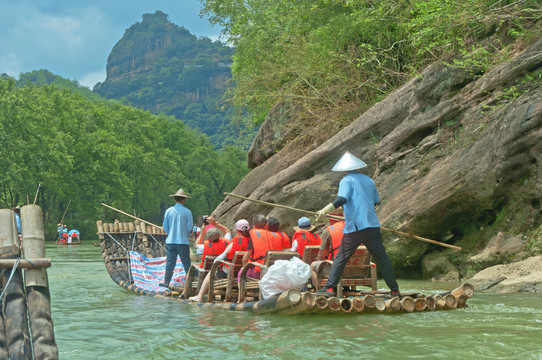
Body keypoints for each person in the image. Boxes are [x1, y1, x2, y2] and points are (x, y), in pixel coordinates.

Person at [314, 151, 400, 298]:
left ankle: (329, 289)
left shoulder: (346, 180)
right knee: (382, 259)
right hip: (372, 226)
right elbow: (374, 201)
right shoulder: (368, 180)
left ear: (345, 169)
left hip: (355, 227)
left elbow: (342, 199)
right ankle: (395, 290)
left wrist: (326, 210)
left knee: (341, 257)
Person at [187, 219, 251, 302]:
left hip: (229, 272)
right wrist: (216, 223)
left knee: (214, 268)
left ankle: (199, 296)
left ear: (237, 231)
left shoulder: (232, 243)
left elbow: (217, 259)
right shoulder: (251, 242)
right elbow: (227, 231)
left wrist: (203, 231)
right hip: (245, 272)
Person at [159, 188, 194, 288]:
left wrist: (171, 233)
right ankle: (190, 283)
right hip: (183, 241)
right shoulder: (187, 212)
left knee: (170, 261)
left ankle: (166, 282)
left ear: (175, 199)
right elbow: (189, 227)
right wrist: (185, 234)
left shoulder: (168, 211)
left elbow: (165, 227)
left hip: (171, 241)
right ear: (184, 200)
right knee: (186, 262)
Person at [241, 214, 270, 280]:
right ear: (266, 225)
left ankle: (243, 290)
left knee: (241, 273)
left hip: (259, 272)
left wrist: (244, 270)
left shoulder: (254, 237)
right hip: (272, 271)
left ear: (254, 226)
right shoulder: (271, 236)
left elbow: (245, 259)